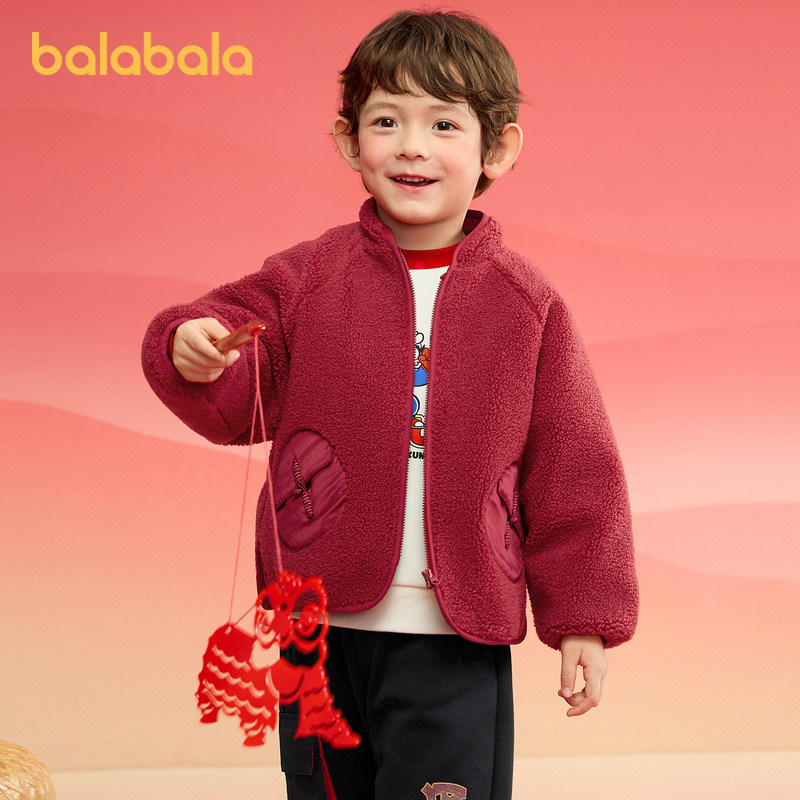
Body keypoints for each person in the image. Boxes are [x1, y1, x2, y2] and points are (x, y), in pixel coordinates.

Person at [142, 9, 638, 799]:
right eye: (386, 121)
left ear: (497, 149)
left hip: (454, 635)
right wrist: (189, 347)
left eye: (443, 124)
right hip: (317, 629)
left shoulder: (527, 304)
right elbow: (229, 383)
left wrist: (583, 617)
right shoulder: (304, 279)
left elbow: (576, 468)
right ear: (349, 142)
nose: (412, 145)